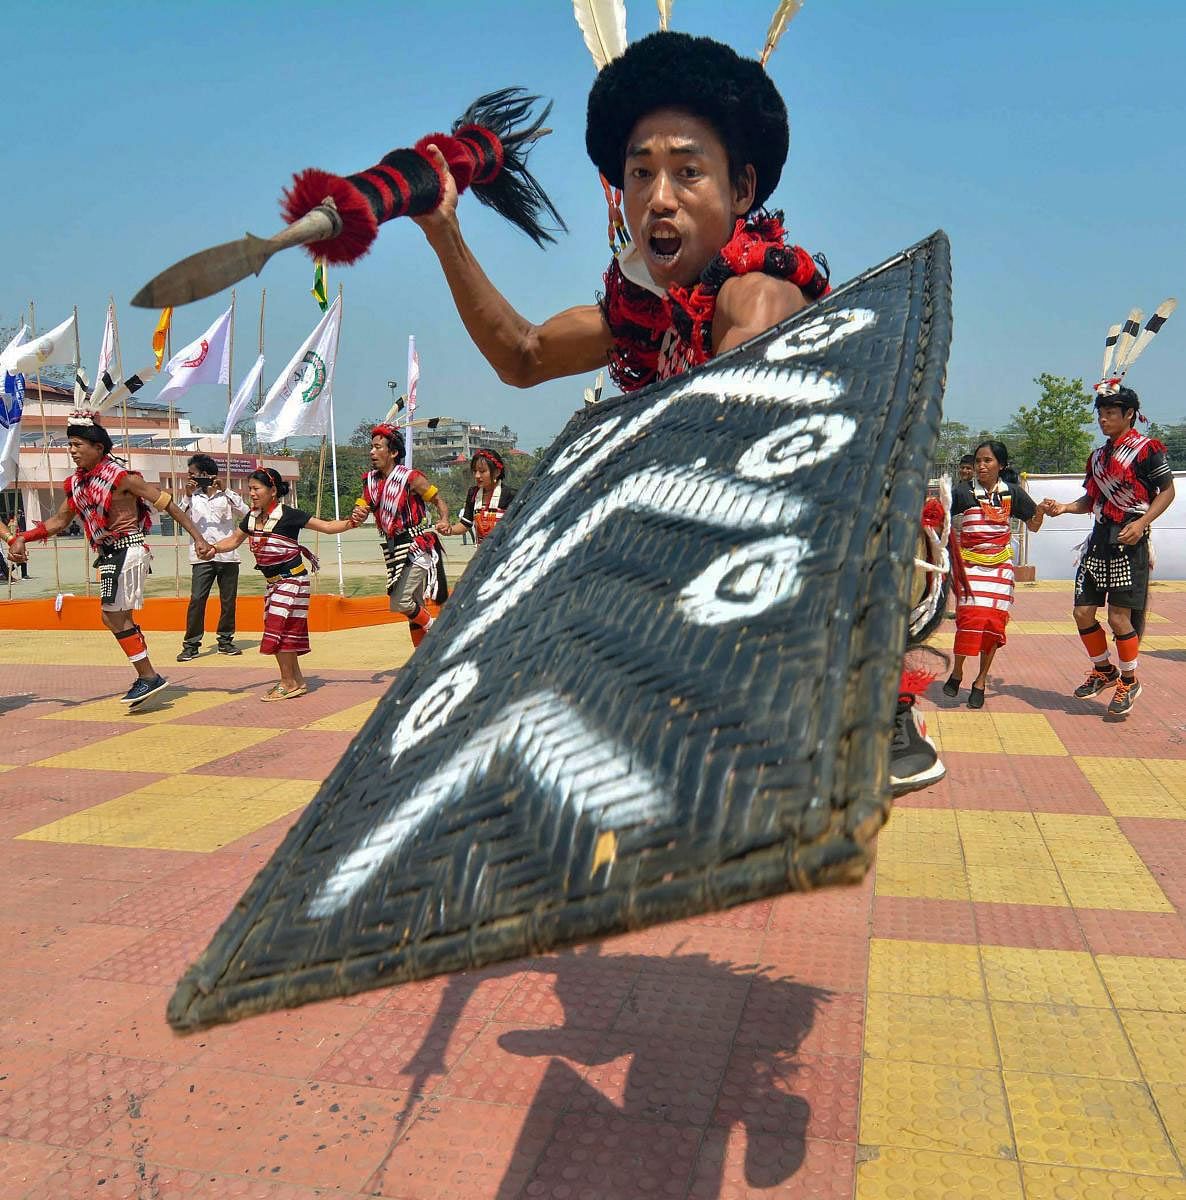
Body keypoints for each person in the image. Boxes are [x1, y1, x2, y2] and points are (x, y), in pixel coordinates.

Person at [411, 29, 942, 794]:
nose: (659, 197)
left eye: (688, 172)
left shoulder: (757, 295)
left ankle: (865, 708)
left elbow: (738, 452)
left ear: (743, 191)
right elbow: (523, 355)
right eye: (641, 173)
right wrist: (444, 230)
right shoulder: (643, 314)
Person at [5, 412, 213, 707]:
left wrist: (199, 538)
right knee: (117, 616)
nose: (73, 451)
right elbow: (59, 521)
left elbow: (167, 503)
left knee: (112, 615)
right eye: (70, 445)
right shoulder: (77, 484)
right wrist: (25, 536)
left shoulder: (122, 478)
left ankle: (149, 676)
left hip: (128, 550)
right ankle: (146, 673)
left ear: (98, 447)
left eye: (78, 444)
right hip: (110, 555)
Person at [1042, 386, 1175, 716]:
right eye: (1100, 413)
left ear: (1129, 414)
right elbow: (1092, 500)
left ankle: (1129, 680)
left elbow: (1167, 491)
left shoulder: (1147, 451)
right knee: (1082, 612)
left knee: (1119, 617)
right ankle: (1104, 670)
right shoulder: (1098, 457)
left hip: (1129, 540)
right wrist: (1063, 507)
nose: (1103, 419)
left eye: (1111, 413)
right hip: (1099, 540)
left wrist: (1143, 522)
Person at [201, 468, 354, 700]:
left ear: (272, 491)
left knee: (277, 627)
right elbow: (233, 540)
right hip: (273, 583)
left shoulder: (289, 515)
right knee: (285, 630)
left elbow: (327, 527)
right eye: (250, 489)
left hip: (293, 579)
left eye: (256, 488)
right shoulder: (252, 517)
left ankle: (287, 682)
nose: (251, 493)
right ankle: (297, 681)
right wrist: (213, 549)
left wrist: (353, 521)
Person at [943, 441, 1043, 707]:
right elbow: (942, 520)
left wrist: (1041, 512)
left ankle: (981, 680)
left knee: (993, 625)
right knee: (969, 620)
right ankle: (957, 670)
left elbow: (1033, 525)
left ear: (1001, 465)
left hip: (999, 570)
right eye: (978, 461)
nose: (981, 466)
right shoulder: (963, 492)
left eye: (987, 461)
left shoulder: (1013, 493)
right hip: (970, 568)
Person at [347, 424, 450, 649]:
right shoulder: (371, 482)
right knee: (413, 606)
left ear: (393, 452)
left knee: (401, 602)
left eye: (377, 447)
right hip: (394, 550)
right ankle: (422, 659)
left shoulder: (410, 478)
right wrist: (359, 513)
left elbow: (438, 499)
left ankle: (436, 628)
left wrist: (443, 519)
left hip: (416, 546)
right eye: (371, 448)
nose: (372, 452)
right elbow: (363, 507)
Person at [176, 453, 249, 660]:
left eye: (193, 474)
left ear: (205, 474)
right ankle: (191, 644)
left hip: (227, 555)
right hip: (202, 556)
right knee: (197, 599)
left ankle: (225, 640)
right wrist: (188, 495)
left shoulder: (226, 495)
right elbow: (179, 517)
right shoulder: (193, 496)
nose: (190, 477)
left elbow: (246, 513)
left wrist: (225, 489)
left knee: (228, 600)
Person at [441, 448, 517, 546]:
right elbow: (465, 524)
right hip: (482, 557)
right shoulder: (473, 493)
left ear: (497, 472)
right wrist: (449, 529)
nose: (477, 475)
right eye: (474, 471)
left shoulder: (511, 495)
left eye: (482, 471)